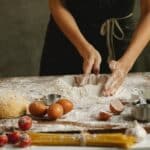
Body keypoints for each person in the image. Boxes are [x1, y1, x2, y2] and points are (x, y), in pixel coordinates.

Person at [40, 0, 150, 96]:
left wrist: (126, 62)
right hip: (68, 40)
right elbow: (57, 3)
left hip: (121, 46)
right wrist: (83, 46)